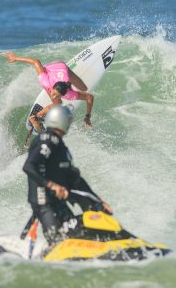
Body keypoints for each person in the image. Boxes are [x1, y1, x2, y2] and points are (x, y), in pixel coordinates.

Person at [22, 105, 112, 245]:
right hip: (44, 203)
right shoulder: (47, 140)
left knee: (75, 234)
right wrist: (51, 185)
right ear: (61, 121)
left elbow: (75, 179)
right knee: (57, 240)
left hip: (57, 202)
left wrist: (98, 202)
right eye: (69, 120)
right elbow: (29, 166)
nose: (70, 124)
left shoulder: (60, 146)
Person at [3, 52, 95, 128]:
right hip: (54, 65)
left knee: (84, 88)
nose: (52, 96)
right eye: (53, 93)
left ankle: (37, 116)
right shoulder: (45, 81)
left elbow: (89, 97)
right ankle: (36, 117)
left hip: (63, 69)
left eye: (57, 95)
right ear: (53, 87)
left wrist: (87, 116)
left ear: (63, 95)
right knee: (57, 103)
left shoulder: (69, 94)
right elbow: (36, 62)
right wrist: (16, 58)